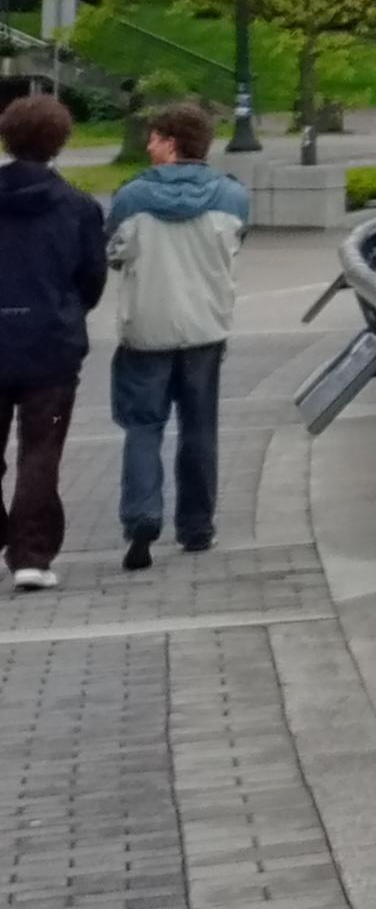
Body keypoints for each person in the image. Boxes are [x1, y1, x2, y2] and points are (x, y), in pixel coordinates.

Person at [106, 100, 250, 571]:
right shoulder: (232, 196)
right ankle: (197, 526)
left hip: (146, 329)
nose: (148, 145)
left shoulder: (131, 197)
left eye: (153, 138)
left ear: (171, 144)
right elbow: (235, 246)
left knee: (143, 426)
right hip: (205, 327)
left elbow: (114, 253)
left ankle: (142, 516)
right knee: (199, 427)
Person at [0, 91, 109, 590]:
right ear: (60, 142)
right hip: (51, 346)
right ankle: (31, 553)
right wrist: (67, 312)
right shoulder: (78, 208)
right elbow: (91, 278)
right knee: (41, 451)